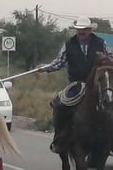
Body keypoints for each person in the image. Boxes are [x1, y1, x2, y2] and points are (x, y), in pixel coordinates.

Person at [38, 16, 112, 154]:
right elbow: (59, 62)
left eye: (84, 30)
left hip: (96, 84)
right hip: (75, 84)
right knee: (60, 105)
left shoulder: (100, 43)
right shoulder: (69, 44)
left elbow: (109, 59)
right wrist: (45, 68)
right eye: (79, 30)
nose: (81, 33)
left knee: (109, 102)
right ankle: (59, 139)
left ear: (90, 30)